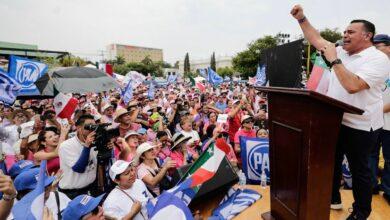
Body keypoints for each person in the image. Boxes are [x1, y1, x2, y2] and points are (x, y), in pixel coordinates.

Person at [291, 5, 390, 219]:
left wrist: (335, 60)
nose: (344, 35)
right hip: (334, 120)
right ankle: (333, 198)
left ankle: (361, 212)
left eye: (350, 32)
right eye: (344, 32)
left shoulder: (378, 59)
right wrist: (301, 19)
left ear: (367, 35)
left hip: (361, 125)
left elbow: (353, 86)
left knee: (359, 171)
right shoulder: (342, 51)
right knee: (331, 164)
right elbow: (316, 39)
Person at [369, 34, 390, 202]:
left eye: (378, 47)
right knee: (371, 155)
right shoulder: (373, 66)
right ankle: (371, 186)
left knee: (389, 158)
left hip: (388, 121)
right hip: (372, 121)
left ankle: (388, 190)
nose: (374, 50)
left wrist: (376, 110)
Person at [58, 114, 98, 199]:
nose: (92, 130)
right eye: (89, 127)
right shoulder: (66, 145)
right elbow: (79, 168)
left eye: (94, 126)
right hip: (73, 193)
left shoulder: (95, 142)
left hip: (91, 188)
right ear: (79, 129)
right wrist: (87, 146)